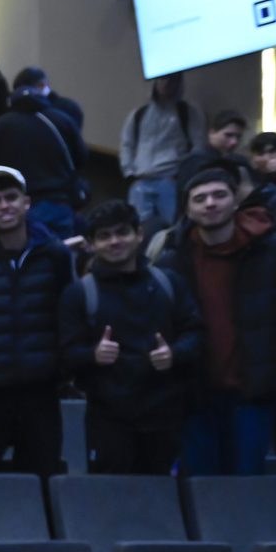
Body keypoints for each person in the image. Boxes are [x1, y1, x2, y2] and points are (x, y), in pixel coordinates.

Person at [158, 156, 276, 476]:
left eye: (219, 195)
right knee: (201, 488)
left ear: (236, 201)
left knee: (247, 485)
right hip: (196, 391)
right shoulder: (173, 260)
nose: (210, 204)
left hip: (254, 388)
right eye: (200, 199)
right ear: (188, 209)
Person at [58, 200, 202, 476]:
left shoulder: (168, 282)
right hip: (108, 420)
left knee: (164, 503)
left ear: (139, 235)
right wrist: (93, 355)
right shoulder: (78, 294)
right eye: (104, 236)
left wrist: (175, 354)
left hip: (166, 418)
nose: (114, 241)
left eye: (122, 232)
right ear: (90, 244)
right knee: (111, 505)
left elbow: (195, 333)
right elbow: (66, 354)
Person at [0, 167, 77, 476]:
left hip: (41, 390)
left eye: (11, 198)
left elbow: (68, 314)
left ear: (27, 203)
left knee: (44, 477)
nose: (4, 205)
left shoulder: (56, 255)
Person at [0, 72, 86, 241]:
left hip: (19, 203)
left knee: (30, 256)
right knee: (62, 254)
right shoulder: (61, 120)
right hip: (60, 201)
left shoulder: (1, 126)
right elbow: (82, 158)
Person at [120, 76, 204, 241]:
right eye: (163, 80)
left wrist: (183, 176)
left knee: (171, 229)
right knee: (138, 230)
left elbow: (198, 146)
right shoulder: (139, 114)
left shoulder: (187, 112)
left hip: (170, 180)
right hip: (141, 180)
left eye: (173, 81)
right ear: (155, 83)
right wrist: (129, 171)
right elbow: (127, 144)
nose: (167, 85)